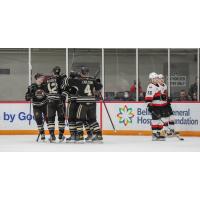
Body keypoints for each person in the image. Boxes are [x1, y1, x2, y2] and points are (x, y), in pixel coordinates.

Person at [75, 66, 103, 142]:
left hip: (82, 102)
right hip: (92, 102)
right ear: (88, 72)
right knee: (93, 120)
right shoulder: (92, 80)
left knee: (79, 119)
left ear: (81, 73)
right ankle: (99, 135)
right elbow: (100, 87)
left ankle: (80, 136)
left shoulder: (78, 80)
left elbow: (72, 86)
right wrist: (97, 82)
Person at [45, 66, 66, 142]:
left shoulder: (48, 79)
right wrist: (64, 79)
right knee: (61, 119)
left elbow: (46, 91)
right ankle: (60, 136)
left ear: (53, 72)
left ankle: (52, 136)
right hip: (59, 101)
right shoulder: (61, 79)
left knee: (50, 119)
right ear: (59, 72)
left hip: (50, 101)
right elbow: (63, 88)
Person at [25, 73, 47, 141]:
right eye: (41, 78)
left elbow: (49, 94)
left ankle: (52, 134)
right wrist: (29, 96)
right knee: (38, 119)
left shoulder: (45, 85)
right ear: (37, 78)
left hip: (45, 105)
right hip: (36, 106)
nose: (42, 79)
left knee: (49, 119)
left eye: (42, 78)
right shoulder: (31, 86)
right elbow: (26, 98)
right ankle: (42, 133)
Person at [145, 72, 166, 141]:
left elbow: (161, 95)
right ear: (152, 79)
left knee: (160, 121)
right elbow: (148, 98)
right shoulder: (151, 86)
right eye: (155, 78)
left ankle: (158, 133)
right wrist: (149, 105)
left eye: (157, 78)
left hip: (161, 106)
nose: (156, 79)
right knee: (155, 121)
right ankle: (154, 135)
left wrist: (163, 97)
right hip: (155, 106)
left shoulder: (158, 86)